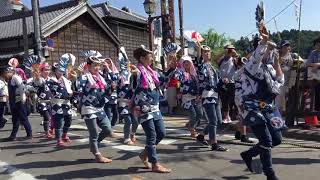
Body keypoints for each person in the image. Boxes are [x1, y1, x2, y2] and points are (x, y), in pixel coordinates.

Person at [237, 24, 285, 180]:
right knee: (266, 140)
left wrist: (277, 62)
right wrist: (263, 42)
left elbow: (279, 82)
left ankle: (248, 154)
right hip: (252, 107)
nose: (271, 52)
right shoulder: (250, 66)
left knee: (276, 139)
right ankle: (270, 174)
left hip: (268, 107)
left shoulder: (269, 67)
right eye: (268, 49)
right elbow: (257, 57)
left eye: (272, 50)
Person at [132, 45, 171, 173]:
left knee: (161, 133)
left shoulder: (151, 71)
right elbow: (131, 85)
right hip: (143, 107)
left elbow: (163, 80)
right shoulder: (137, 71)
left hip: (155, 106)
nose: (152, 59)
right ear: (142, 58)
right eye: (150, 57)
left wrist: (171, 68)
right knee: (152, 135)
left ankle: (144, 154)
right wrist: (132, 75)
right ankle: (154, 163)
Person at [77, 51, 113, 163]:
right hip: (88, 108)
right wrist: (76, 78)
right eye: (94, 66)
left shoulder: (101, 77)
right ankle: (97, 154)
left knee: (107, 129)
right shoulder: (84, 78)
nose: (97, 68)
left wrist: (109, 71)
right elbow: (78, 89)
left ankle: (94, 145)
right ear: (88, 66)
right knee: (94, 132)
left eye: (98, 65)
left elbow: (108, 88)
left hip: (100, 107)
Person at [196, 45, 228, 151]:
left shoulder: (213, 67)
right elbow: (198, 64)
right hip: (206, 95)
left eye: (208, 52)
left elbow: (217, 81)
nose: (207, 53)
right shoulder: (201, 65)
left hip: (215, 95)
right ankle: (214, 143)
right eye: (205, 52)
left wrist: (223, 81)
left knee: (218, 121)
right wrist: (199, 50)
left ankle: (201, 135)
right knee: (213, 120)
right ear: (201, 54)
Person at [167, 55, 203, 138]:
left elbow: (198, 84)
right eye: (185, 62)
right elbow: (176, 77)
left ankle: (189, 124)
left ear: (191, 63)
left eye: (188, 62)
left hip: (195, 97)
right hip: (186, 97)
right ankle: (192, 130)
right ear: (182, 64)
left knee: (200, 114)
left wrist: (199, 94)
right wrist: (174, 66)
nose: (186, 63)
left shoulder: (193, 73)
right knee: (193, 115)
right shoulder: (180, 72)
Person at [49, 53, 75, 147]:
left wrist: (73, 82)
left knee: (69, 120)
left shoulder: (66, 80)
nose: (61, 71)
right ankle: (59, 139)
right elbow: (50, 90)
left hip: (66, 102)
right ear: (55, 71)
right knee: (58, 121)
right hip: (57, 103)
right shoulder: (51, 80)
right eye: (58, 70)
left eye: (62, 69)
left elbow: (71, 90)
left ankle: (64, 134)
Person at [5, 64, 32, 141]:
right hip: (13, 101)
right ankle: (13, 136)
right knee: (15, 119)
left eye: (8, 72)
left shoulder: (16, 77)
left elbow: (21, 87)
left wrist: (23, 96)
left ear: (12, 72)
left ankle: (29, 134)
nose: (6, 74)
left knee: (23, 118)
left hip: (19, 100)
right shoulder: (9, 79)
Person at [117, 47, 138, 145]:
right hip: (123, 101)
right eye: (123, 64)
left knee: (135, 121)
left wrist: (135, 74)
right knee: (127, 120)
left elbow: (136, 86)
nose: (125, 65)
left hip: (133, 101)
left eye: (127, 64)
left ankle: (132, 133)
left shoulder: (133, 74)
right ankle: (126, 138)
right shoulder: (117, 75)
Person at [216, 44, 239, 124]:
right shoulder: (222, 59)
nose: (229, 51)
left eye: (231, 49)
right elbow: (215, 59)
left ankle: (233, 115)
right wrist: (223, 52)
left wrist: (235, 54)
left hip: (232, 82)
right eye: (228, 49)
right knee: (224, 100)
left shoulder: (234, 59)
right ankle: (226, 116)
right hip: (222, 82)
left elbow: (239, 64)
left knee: (232, 100)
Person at [102, 58, 120, 129]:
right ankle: (108, 129)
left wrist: (109, 70)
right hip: (106, 95)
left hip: (114, 96)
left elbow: (116, 79)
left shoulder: (114, 72)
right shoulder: (102, 73)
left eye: (108, 63)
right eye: (105, 63)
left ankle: (111, 126)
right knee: (108, 112)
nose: (106, 64)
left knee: (115, 113)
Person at [306, 37, 320, 111]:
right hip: (315, 78)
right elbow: (308, 63)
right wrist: (315, 65)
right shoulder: (313, 53)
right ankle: (315, 112)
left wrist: (318, 65)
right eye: (317, 44)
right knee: (315, 94)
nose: (318, 46)